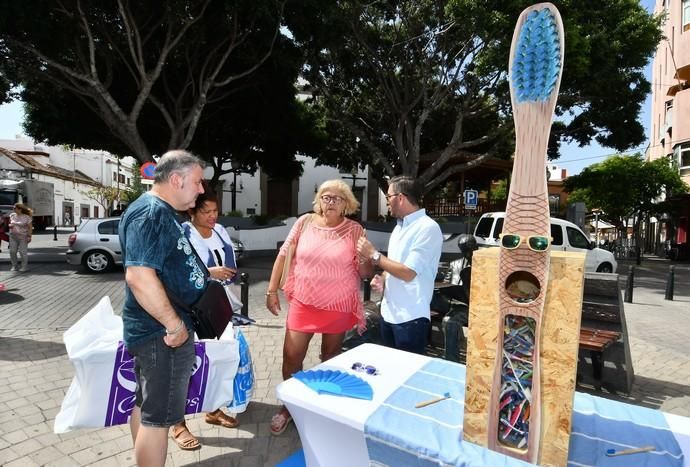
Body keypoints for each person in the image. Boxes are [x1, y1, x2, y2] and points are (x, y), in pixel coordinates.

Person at [118, 150, 205, 467]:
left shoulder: (159, 211)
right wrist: (174, 325)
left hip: (157, 331)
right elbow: (139, 277)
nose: (201, 189)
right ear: (176, 179)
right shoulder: (151, 213)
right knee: (159, 419)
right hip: (161, 334)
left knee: (147, 406)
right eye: (197, 182)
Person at [265, 179, 373, 435]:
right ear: (318, 201)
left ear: (347, 203)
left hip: (338, 304)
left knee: (330, 357)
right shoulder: (303, 223)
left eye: (336, 198)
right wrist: (271, 290)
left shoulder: (355, 230)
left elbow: (365, 272)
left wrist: (367, 256)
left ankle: (324, 405)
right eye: (325, 196)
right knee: (292, 357)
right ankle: (289, 406)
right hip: (303, 301)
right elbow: (283, 255)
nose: (330, 202)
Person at [169, 185, 242, 450]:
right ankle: (177, 423)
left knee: (217, 360)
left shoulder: (220, 231)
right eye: (206, 211)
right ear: (192, 210)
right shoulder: (183, 234)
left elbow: (231, 262)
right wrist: (209, 272)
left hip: (220, 306)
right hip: (193, 308)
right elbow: (177, 271)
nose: (212, 216)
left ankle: (213, 408)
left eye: (215, 211)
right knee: (184, 365)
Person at [357, 176, 443, 354]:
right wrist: (382, 278)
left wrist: (373, 254)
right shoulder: (398, 228)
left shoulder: (427, 228)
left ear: (401, 198)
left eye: (388, 197)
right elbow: (394, 265)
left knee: (408, 375)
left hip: (410, 317)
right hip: (388, 313)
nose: (387, 202)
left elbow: (409, 272)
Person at [9, 203, 33, 272]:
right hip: (13, 236)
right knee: (12, 251)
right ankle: (14, 266)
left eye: (15, 208)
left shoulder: (26, 217)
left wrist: (29, 236)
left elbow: (30, 227)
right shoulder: (12, 215)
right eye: (13, 208)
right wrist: (10, 226)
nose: (13, 209)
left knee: (22, 252)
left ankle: (24, 267)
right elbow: (11, 223)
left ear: (20, 209)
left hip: (23, 236)